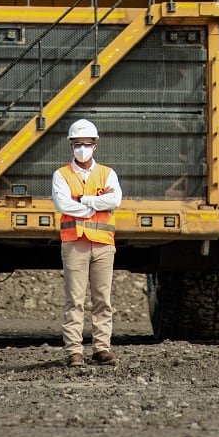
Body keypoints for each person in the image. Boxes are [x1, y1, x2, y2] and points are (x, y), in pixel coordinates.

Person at [52, 119, 123, 368]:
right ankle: (74, 351)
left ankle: (101, 348)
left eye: (87, 144)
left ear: (95, 145)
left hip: (103, 245)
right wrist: (94, 204)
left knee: (102, 298)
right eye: (78, 144)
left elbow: (115, 201)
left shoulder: (107, 173)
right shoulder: (61, 175)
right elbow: (63, 205)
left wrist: (82, 201)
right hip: (75, 244)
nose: (82, 148)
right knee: (75, 299)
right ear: (71, 146)